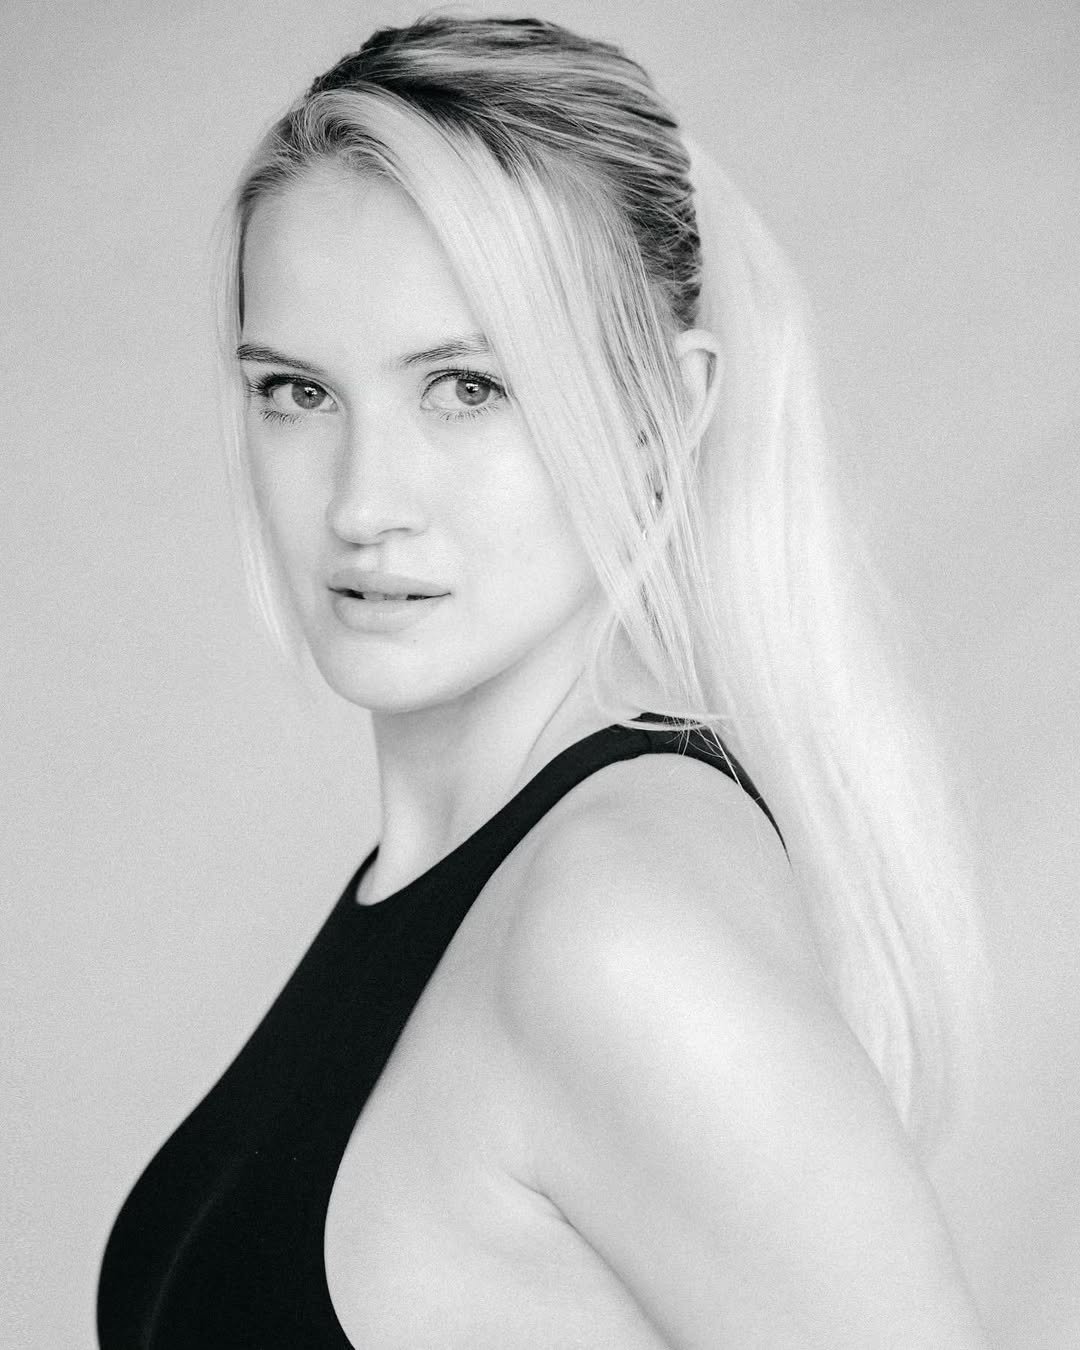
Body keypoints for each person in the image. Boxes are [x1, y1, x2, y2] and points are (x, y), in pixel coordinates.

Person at [97, 13, 989, 1347]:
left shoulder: (617, 928)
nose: (362, 504)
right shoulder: (463, 882)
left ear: (663, 415)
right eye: (298, 391)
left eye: (466, 387)